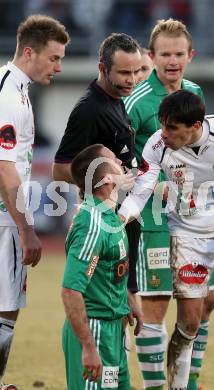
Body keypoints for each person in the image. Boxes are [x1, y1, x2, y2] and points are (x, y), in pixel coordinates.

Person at [119, 90, 214, 390]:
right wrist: (117, 219)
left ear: (195, 125)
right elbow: (141, 192)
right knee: (189, 323)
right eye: (162, 125)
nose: (164, 133)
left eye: (171, 128)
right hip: (187, 237)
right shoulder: (157, 146)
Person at [123, 19, 214, 390]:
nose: (173, 60)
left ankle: (188, 382)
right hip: (154, 218)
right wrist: (157, 184)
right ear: (152, 57)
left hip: (196, 215)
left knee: (204, 301)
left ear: (190, 56)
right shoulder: (136, 101)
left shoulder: (194, 92)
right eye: (165, 54)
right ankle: (155, 387)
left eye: (179, 53)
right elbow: (127, 159)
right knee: (157, 303)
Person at [0, 15, 69, 390]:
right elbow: (5, 168)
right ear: (30, 52)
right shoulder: (9, 94)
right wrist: (27, 228)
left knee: (6, 305)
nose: (59, 67)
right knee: (5, 306)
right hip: (4, 219)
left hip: (6, 216)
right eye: (54, 58)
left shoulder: (17, 88)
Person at [52, 32, 142, 313]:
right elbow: (60, 170)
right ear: (103, 69)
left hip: (122, 216)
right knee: (107, 308)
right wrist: (110, 177)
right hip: (105, 221)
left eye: (136, 71)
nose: (132, 79)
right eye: (124, 72)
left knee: (123, 310)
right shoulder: (89, 110)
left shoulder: (117, 98)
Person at [61, 144, 137, 389]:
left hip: (114, 330)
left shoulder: (110, 215)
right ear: (106, 179)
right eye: (116, 160)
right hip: (95, 330)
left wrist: (127, 301)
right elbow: (71, 290)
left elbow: (106, 268)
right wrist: (88, 347)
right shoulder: (92, 224)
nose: (122, 163)